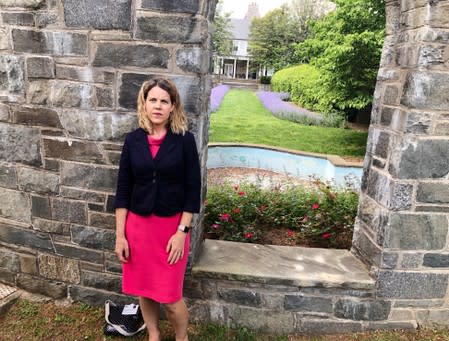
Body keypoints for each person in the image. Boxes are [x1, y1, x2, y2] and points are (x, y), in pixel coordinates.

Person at [114, 77, 201, 341]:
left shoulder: (184, 141)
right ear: (144, 103)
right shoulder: (133, 141)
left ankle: (181, 337)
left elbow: (192, 190)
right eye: (153, 100)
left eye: (164, 101)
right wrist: (120, 235)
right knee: (145, 290)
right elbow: (123, 191)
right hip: (138, 229)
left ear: (173, 106)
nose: (158, 106)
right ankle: (153, 334)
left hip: (171, 230)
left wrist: (182, 232)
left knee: (172, 297)